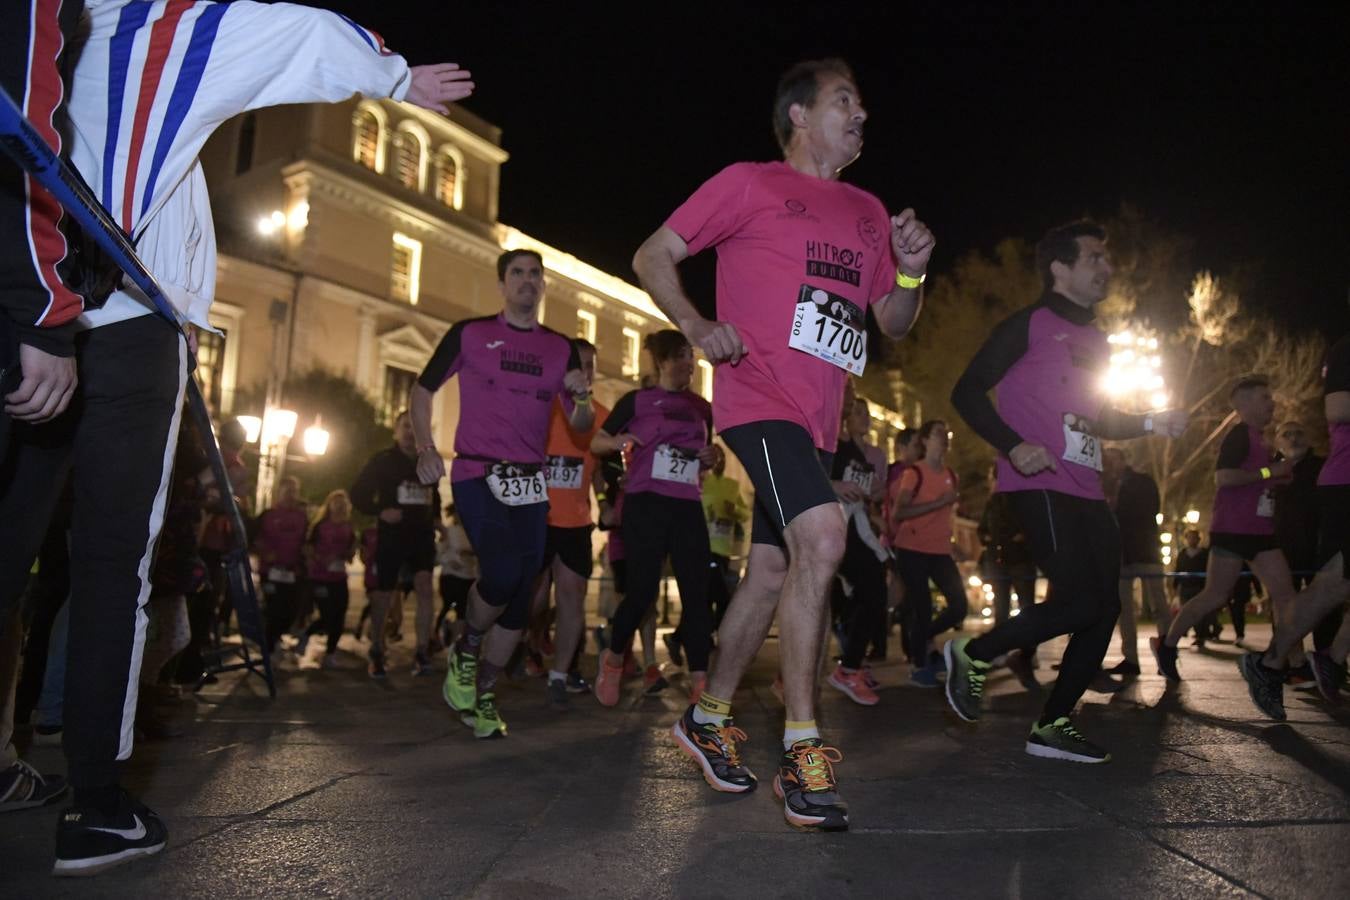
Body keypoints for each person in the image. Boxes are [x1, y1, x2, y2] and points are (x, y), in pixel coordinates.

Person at [0, 0, 474, 874]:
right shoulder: (157, 27)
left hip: (26, 305)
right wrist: (396, 76)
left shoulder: (65, 37)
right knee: (114, 567)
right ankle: (97, 803)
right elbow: (297, 31)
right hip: (121, 314)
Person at [632, 58, 932, 830]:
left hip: (819, 424)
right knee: (825, 539)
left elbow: (892, 323)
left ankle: (708, 716)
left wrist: (911, 273)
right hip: (757, 399)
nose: (861, 113)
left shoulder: (868, 209)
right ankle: (803, 753)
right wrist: (697, 327)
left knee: (772, 570)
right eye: (844, 101)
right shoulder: (749, 183)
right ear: (799, 116)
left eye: (863, 104)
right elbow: (652, 254)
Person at [946, 220, 1187, 764]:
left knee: (1103, 606)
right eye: (1095, 257)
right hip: (1038, 481)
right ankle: (974, 651)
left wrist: (1152, 422)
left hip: (1087, 487)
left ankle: (1053, 724)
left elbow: (1099, 416)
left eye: (1107, 258)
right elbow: (966, 391)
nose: (1107, 267)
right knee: (1081, 599)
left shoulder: (1097, 340)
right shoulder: (1028, 325)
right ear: (1060, 267)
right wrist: (1012, 445)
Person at [412, 249, 593, 740]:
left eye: (536, 274)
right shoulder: (470, 334)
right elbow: (423, 390)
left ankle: (484, 692)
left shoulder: (560, 349)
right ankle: (467, 648)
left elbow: (580, 429)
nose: (527, 281)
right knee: (504, 572)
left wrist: (581, 397)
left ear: (543, 285)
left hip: (531, 481)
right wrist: (426, 446)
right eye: (518, 273)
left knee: (520, 599)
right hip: (476, 472)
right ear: (502, 283)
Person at [592, 330, 717, 706]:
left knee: (698, 592)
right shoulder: (637, 401)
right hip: (645, 503)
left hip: (686, 504)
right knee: (642, 590)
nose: (688, 365)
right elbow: (597, 442)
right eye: (679, 356)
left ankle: (700, 681)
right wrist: (618, 442)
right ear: (661, 361)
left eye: (690, 358)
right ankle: (614, 659)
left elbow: (708, 455)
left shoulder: (702, 408)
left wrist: (714, 459)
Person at [1153, 376, 1298, 683]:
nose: (1271, 403)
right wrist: (1270, 471)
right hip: (1232, 529)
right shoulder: (1238, 435)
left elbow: (1259, 479)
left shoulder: (1264, 439)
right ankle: (1167, 644)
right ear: (1242, 404)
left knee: (1286, 595)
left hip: (1261, 530)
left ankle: (1284, 660)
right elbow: (1225, 478)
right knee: (1215, 596)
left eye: (1270, 398)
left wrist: (1280, 478)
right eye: (1263, 398)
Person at [1239, 334, 1350, 715]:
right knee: (1331, 587)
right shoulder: (1345, 350)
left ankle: (1330, 658)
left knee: (1333, 585)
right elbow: (1337, 410)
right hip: (1346, 483)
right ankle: (1272, 663)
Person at [533, 338, 607, 709]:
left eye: (592, 365)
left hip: (576, 523)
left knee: (571, 596)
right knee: (530, 599)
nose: (587, 371)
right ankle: (530, 641)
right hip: (536, 516)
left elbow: (603, 471)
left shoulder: (602, 416)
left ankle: (559, 674)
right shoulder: (542, 408)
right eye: (580, 364)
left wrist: (608, 502)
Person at [350, 411, 440, 679]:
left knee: (425, 587)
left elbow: (432, 495)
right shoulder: (383, 461)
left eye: (415, 427)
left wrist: (436, 519)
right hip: (393, 535)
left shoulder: (429, 460)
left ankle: (422, 651)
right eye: (405, 427)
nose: (411, 432)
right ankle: (377, 648)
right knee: (384, 594)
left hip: (422, 536)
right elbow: (357, 494)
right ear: (396, 431)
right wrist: (381, 510)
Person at [823, 395, 891, 704]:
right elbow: (807, 474)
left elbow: (865, 491)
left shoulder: (856, 451)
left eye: (864, 410)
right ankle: (847, 668)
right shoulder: (826, 441)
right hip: (830, 528)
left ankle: (849, 665)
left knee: (872, 594)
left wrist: (873, 492)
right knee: (868, 593)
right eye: (855, 409)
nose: (862, 415)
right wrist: (834, 485)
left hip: (856, 529)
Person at [890, 419, 967, 688]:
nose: (944, 437)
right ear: (924, 440)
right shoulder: (914, 473)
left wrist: (953, 541)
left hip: (940, 550)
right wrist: (938, 503)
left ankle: (922, 640)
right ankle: (920, 665)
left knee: (959, 606)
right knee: (922, 608)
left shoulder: (951, 475)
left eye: (946, 433)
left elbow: (945, 517)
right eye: (938, 433)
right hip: (911, 549)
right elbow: (900, 512)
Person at [1272, 420, 1340, 657]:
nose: (1293, 438)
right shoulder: (1268, 470)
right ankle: (1291, 660)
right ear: (1277, 441)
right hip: (1281, 550)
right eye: (1286, 434)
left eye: (1299, 433)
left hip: (1320, 546)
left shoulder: (1324, 467)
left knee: (1326, 604)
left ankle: (1327, 659)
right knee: (1284, 605)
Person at [1100, 447, 1170, 676]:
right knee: (1125, 607)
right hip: (1125, 553)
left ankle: (1167, 652)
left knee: (1158, 604)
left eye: (1113, 460)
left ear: (1122, 460)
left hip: (1143, 549)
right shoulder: (1107, 484)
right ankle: (1131, 658)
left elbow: (1147, 510)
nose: (1110, 465)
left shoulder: (1139, 481)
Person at [252, 476, 308, 661]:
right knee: (273, 609)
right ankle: (268, 648)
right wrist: (264, 552)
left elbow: (306, 541)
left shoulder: (302, 517)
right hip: (271, 571)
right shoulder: (267, 515)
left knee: (291, 609)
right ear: (280, 492)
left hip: (293, 571)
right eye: (288, 490)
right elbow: (254, 539)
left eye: (295, 490)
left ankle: (274, 640)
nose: (292, 495)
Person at [304, 490, 357, 668]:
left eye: (343, 503)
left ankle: (330, 653)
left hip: (339, 577)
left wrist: (346, 555)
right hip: (320, 577)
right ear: (329, 505)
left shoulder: (349, 527)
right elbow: (309, 548)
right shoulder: (320, 526)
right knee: (327, 616)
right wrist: (320, 559)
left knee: (339, 615)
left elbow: (351, 552)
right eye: (336, 502)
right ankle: (306, 635)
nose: (340, 506)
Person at [435, 504, 477, 649]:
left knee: (463, 610)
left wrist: (471, 554)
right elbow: (439, 553)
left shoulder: (473, 532)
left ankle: (455, 643)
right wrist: (450, 561)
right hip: (450, 576)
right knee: (447, 605)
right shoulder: (448, 532)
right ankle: (437, 634)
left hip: (469, 576)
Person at [1171, 529, 1210, 643]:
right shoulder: (1183, 554)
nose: (1192, 540)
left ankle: (1201, 635)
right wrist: (1175, 585)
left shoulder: (1204, 553)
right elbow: (1178, 569)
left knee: (1199, 611)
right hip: (1186, 587)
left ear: (1198, 539)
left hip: (1200, 587)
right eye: (1189, 537)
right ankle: (1186, 631)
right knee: (1186, 611)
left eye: (1194, 537)